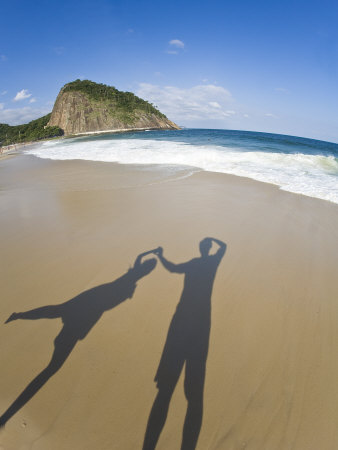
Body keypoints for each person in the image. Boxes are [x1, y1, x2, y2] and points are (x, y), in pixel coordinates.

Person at [0, 249, 157, 427]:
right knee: (53, 367)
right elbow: (110, 304)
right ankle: (5, 417)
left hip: (88, 298)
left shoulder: (130, 274)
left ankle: (19, 315)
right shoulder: (130, 286)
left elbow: (138, 257)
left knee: (56, 310)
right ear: (147, 272)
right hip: (88, 312)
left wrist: (154, 252)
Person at [143, 238, 226, 450]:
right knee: (194, 391)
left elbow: (172, 268)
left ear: (200, 249)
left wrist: (160, 256)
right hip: (201, 322)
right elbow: (224, 247)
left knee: (166, 388)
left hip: (181, 319)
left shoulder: (193, 264)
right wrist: (213, 239)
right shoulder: (211, 263)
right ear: (209, 249)